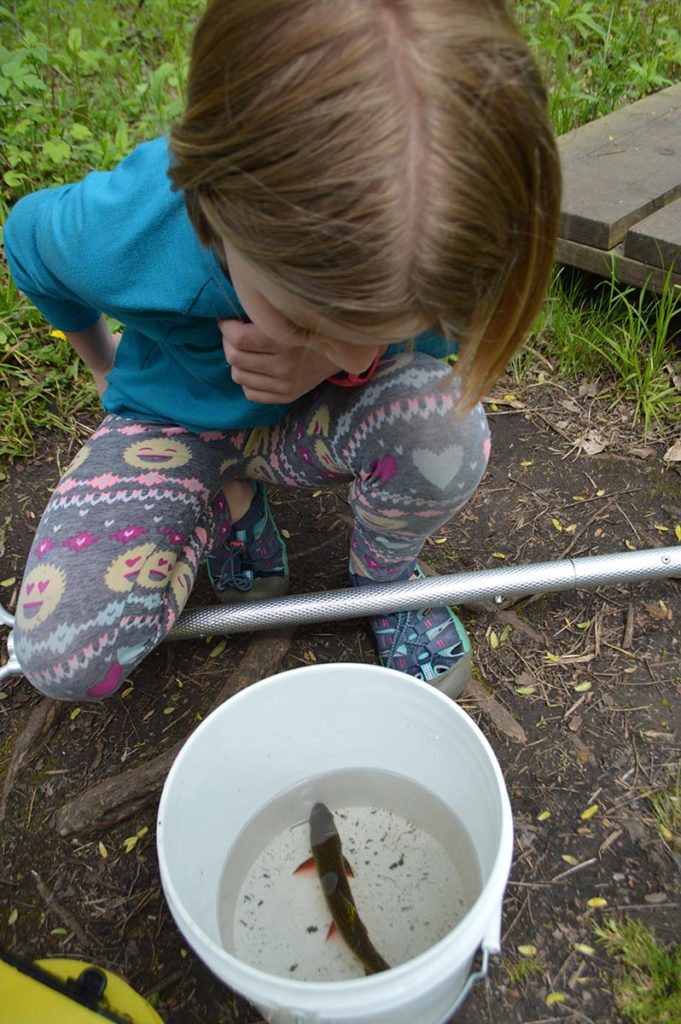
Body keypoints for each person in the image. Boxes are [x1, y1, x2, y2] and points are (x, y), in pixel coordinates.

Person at [4, 0, 560, 703]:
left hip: (317, 422)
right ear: (215, 209)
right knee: (65, 660)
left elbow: (378, 354)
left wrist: (323, 361)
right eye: (306, 317)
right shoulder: (129, 226)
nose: (357, 348)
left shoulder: (446, 244)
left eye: (387, 321)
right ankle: (228, 506)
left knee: (443, 425)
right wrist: (107, 367)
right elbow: (28, 243)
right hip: (168, 425)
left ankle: (383, 577)